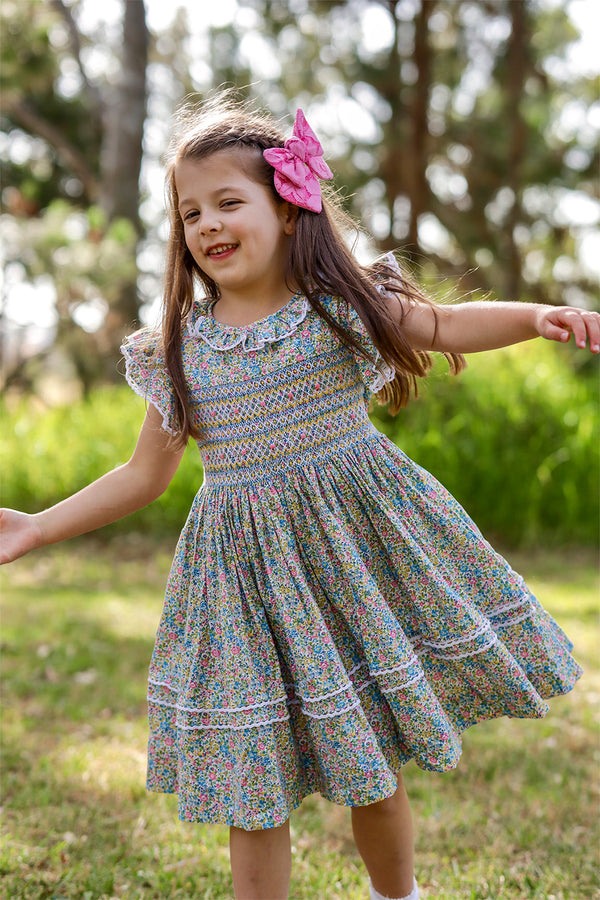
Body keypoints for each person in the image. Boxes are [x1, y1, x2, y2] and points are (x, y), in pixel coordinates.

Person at [1, 95, 598, 900]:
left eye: (227, 202)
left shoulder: (337, 308)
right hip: (244, 583)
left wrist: (538, 316)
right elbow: (144, 476)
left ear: (288, 210)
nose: (207, 224)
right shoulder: (181, 348)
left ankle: (401, 896)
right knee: (256, 782)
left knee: (372, 767)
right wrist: (37, 527)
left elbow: (446, 326)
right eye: (189, 213)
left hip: (351, 558)